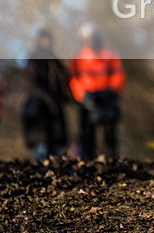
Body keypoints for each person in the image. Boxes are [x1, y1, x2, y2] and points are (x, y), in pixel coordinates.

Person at [69, 23, 126, 159]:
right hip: (88, 100)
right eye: (87, 37)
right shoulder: (77, 58)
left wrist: (112, 90)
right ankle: (89, 161)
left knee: (110, 133)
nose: (90, 40)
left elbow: (119, 74)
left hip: (107, 97)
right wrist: (83, 95)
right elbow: (73, 79)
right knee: (87, 133)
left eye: (92, 37)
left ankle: (111, 160)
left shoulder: (109, 55)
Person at [22, 28, 70, 160]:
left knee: (56, 149)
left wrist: (62, 97)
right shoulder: (34, 59)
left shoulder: (55, 61)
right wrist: (48, 99)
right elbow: (33, 84)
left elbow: (63, 80)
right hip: (40, 112)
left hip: (54, 113)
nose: (47, 42)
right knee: (42, 149)